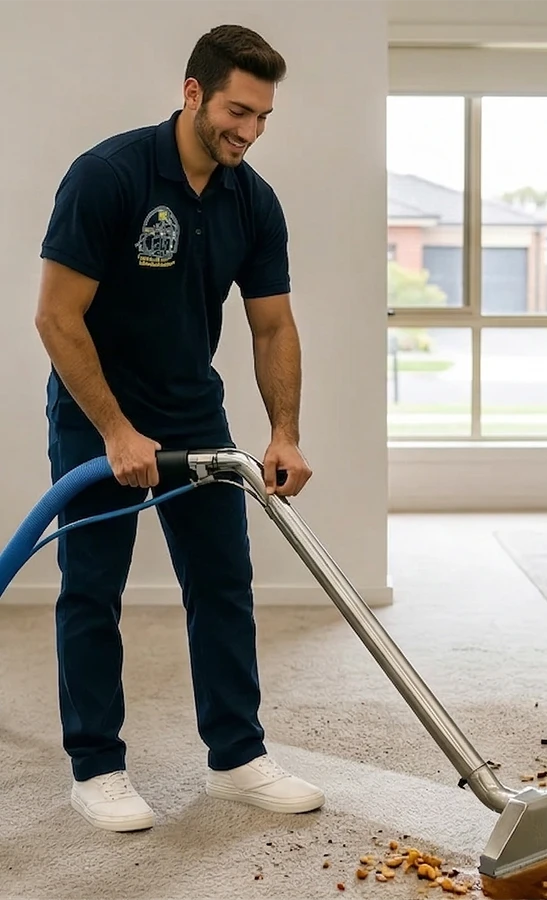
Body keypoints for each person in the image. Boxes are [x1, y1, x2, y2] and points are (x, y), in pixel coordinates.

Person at [34, 24, 325, 832]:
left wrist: (285, 432)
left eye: (264, 116)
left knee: (223, 585)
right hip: (98, 413)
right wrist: (116, 432)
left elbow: (272, 326)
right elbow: (57, 319)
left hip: (195, 409)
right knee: (93, 589)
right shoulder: (109, 176)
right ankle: (96, 769)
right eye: (239, 110)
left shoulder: (251, 199)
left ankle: (236, 757)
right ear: (193, 92)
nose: (250, 130)